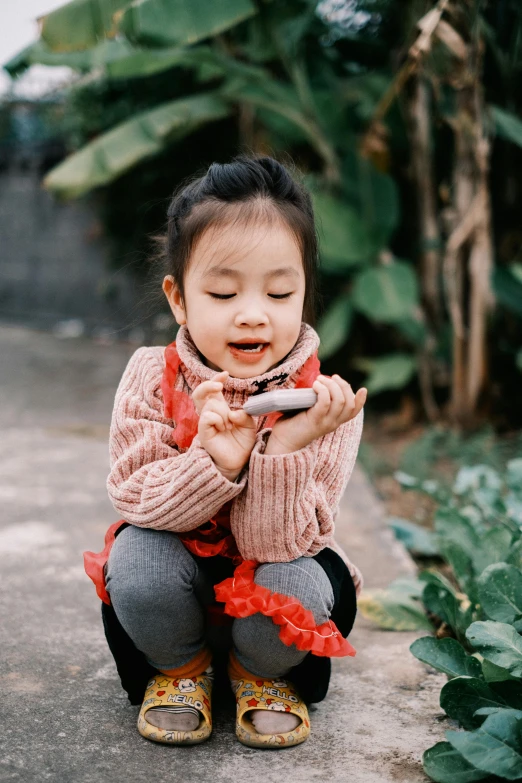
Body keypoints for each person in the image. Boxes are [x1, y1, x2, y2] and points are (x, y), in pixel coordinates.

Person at [83, 153, 367, 749]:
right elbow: (137, 498)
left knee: (301, 581)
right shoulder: (149, 377)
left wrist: (280, 451)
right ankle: (182, 670)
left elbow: (283, 549)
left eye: (280, 291)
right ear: (180, 299)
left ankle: (258, 676)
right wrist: (214, 463)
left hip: (273, 591)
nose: (253, 313)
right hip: (174, 590)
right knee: (135, 559)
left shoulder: (323, 405)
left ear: (304, 293)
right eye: (222, 291)